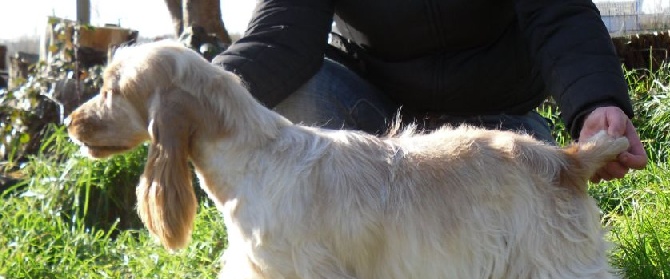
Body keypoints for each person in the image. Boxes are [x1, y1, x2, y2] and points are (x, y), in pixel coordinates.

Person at [212, 0, 647, 182]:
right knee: (303, 95)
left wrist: (596, 103)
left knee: (533, 219)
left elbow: (560, 14)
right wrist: (195, 94)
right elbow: (279, 37)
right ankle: (345, 261)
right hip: (377, 130)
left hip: (495, 126)